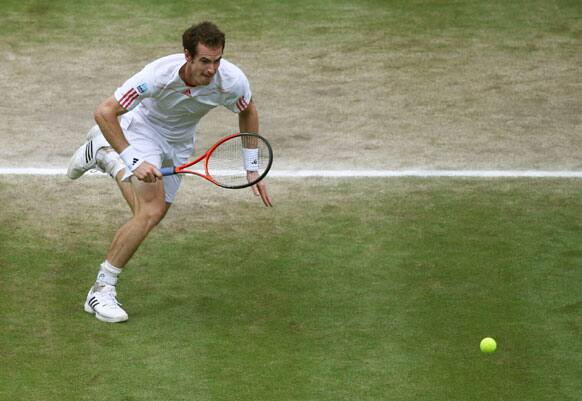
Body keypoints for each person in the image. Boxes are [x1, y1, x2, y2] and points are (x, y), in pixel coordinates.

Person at [67, 21, 272, 323]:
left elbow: (247, 110)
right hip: (141, 131)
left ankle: (104, 155)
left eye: (217, 60)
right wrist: (134, 159)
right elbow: (104, 112)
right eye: (205, 61)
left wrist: (251, 166)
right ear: (187, 56)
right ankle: (101, 290)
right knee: (150, 211)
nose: (212, 69)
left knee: (151, 213)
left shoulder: (231, 81)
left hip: (179, 143)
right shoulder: (157, 76)